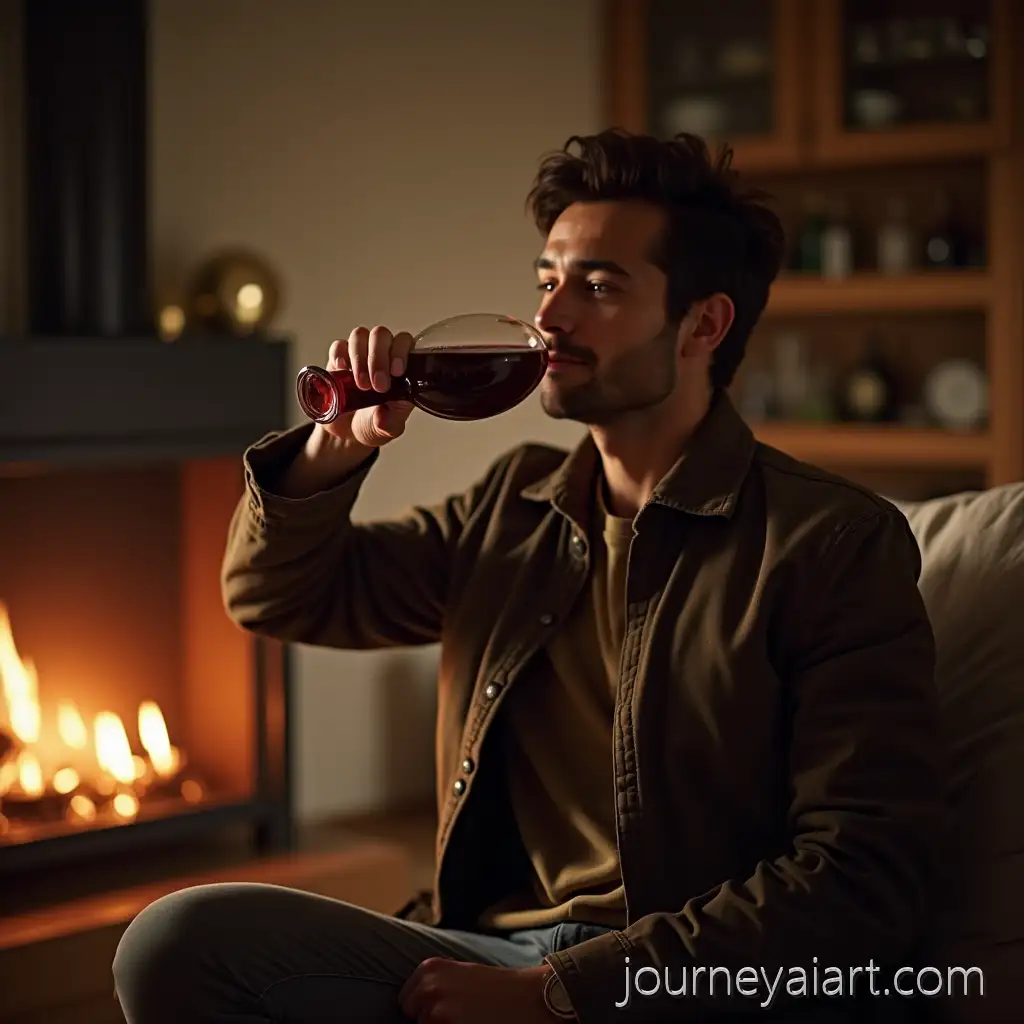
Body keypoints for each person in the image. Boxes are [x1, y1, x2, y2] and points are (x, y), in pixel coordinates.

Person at [112, 130, 943, 1023]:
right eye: (548, 280)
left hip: (677, 979)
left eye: (597, 286)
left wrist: (560, 996)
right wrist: (334, 445)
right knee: (177, 943)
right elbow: (275, 594)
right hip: (486, 947)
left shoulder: (832, 541)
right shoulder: (512, 505)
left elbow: (862, 882)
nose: (550, 318)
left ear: (703, 324)